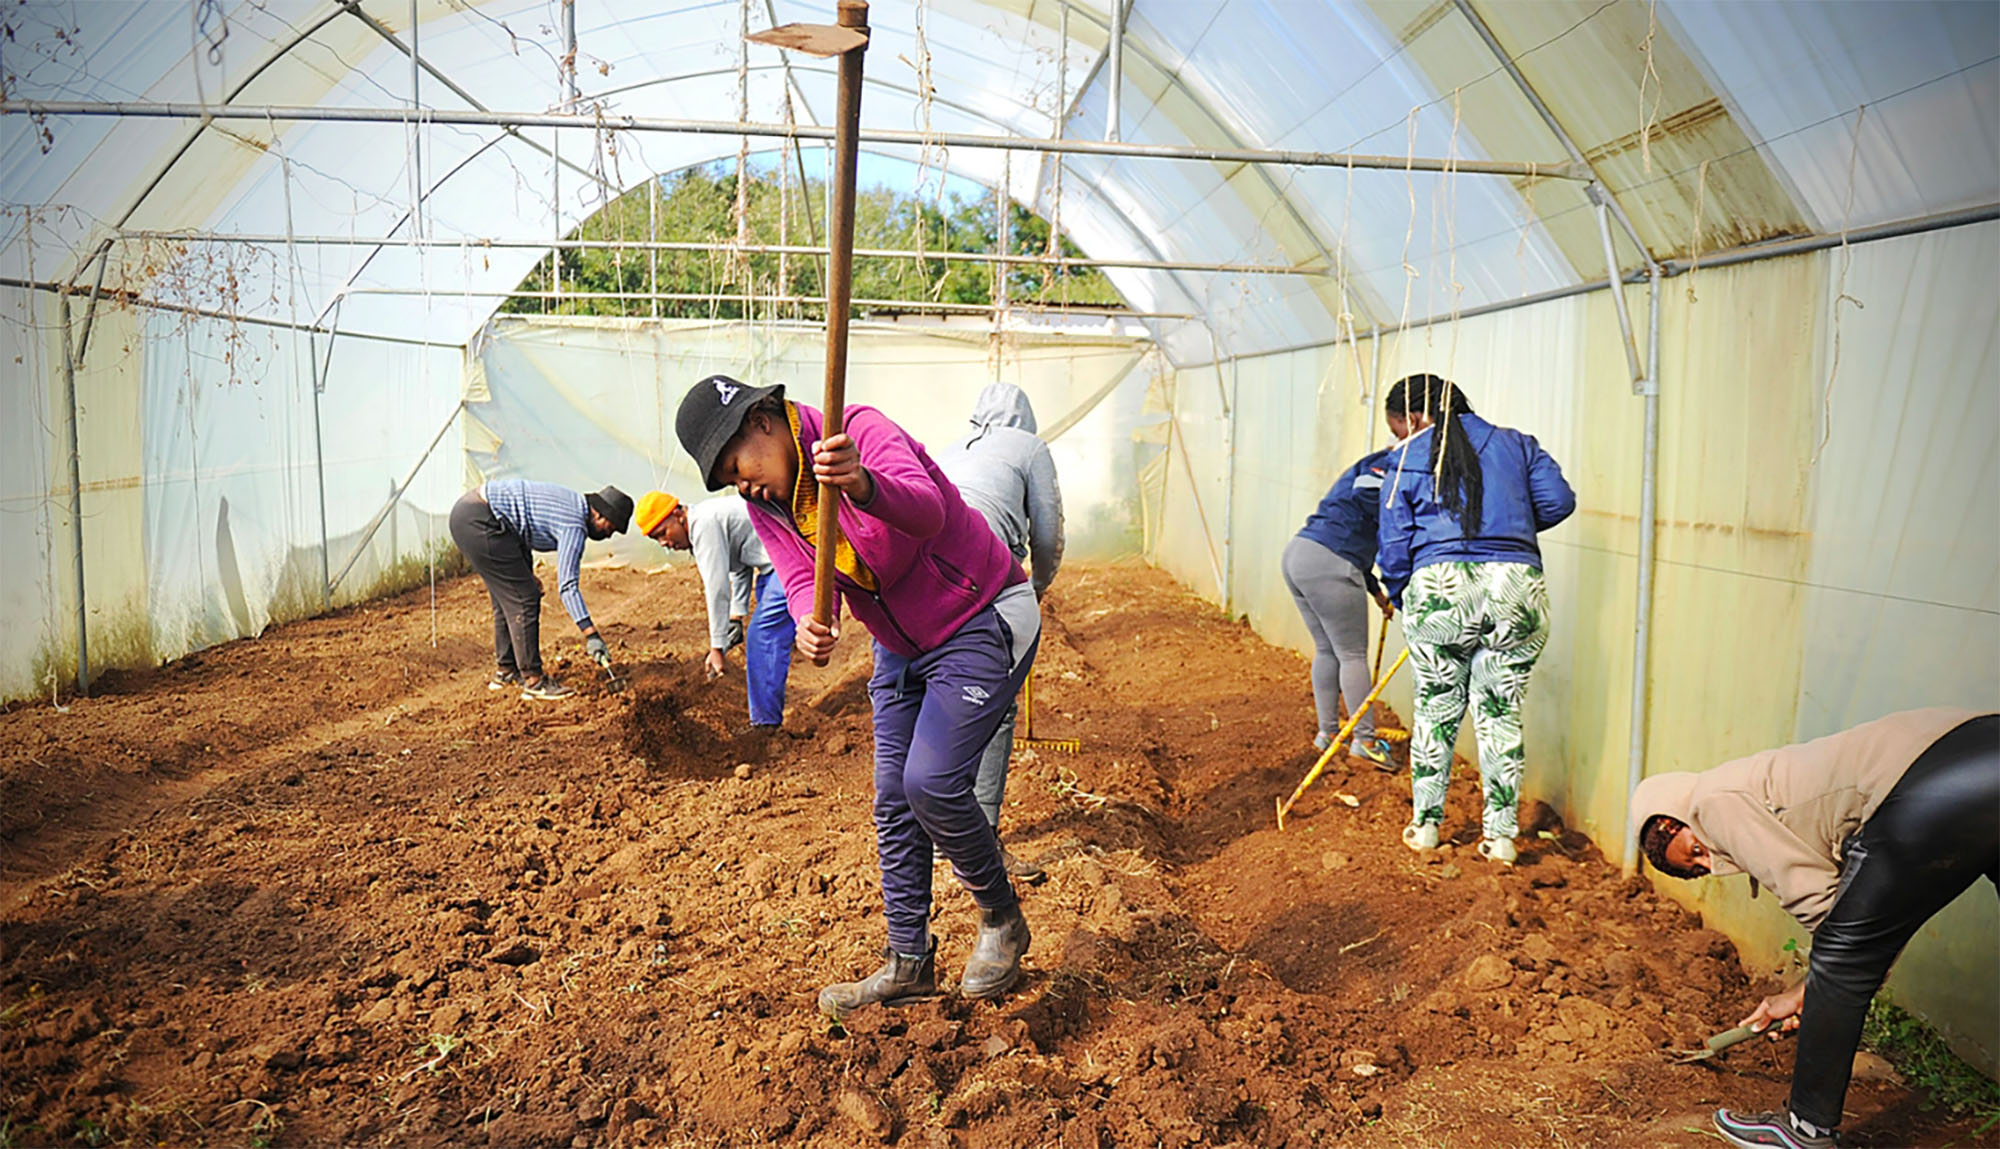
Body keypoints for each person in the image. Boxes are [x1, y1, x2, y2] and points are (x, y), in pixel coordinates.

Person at [675, 373, 1039, 1015]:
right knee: (894, 797)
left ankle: (1001, 916)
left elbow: (929, 510)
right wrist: (809, 619)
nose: (743, 485)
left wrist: (865, 486)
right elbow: (795, 572)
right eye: (729, 481)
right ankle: (908, 962)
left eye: (737, 467)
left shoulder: (860, 433)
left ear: (762, 421)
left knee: (932, 783)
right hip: (900, 643)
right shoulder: (772, 503)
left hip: (980, 614)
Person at [1631, 709, 1997, 1149]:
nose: (1709, 860)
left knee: (1842, 958)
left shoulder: (1712, 802)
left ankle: (1805, 1129)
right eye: (1698, 868)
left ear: (1676, 817)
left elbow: (1827, 914)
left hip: (1929, 781)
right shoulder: (1755, 782)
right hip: (1985, 744)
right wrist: (1822, 981)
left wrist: (1815, 987)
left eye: (1693, 850)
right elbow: (1869, 921)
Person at [1377, 374, 1574, 864]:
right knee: (1500, 714)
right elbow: (1559, 501)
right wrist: (1510, 529)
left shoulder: (1405, 460)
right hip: (1516, 587)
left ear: (1418, 418)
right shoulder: (1519, 445)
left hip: (1440, 587)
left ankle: (1426, 827)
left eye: (1401, 427)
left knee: (1437, 709)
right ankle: (1502, 838)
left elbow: (1395, 542)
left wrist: (1406, 597)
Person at [934, 382, 1064, 880]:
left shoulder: (949, 451)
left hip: (926, 574)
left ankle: (934, 831)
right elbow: (1048, 531)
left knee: (940, 693)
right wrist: (1040, 586)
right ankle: (978, 842)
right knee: (993, 701)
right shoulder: (1030, 447)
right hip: (986, 572)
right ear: (1024, 418)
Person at [1280, 386, 1425, 769]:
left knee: (1328, 650)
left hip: (1301, 553)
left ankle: (1328, 732)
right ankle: (1364, 741)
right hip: (1330, 560)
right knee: (1351, 654)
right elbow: (1370, 503)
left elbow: (1353, 530)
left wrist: (1376, 589)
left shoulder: (1371, 461)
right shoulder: (1388, 467)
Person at [447, 479, 633, 701]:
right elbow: (568, 586)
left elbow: (522, 526)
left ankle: (506, 671)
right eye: (610, 529)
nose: (608, 536)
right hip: (481, 521)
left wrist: (526, 573)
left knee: (507, 599)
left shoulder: (571, 502)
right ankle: (534, 681)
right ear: (600, 516)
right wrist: (590, 634)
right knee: (524, 598)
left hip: (472, 515)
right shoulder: (575, 524)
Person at [635, 490, 796, 728]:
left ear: (678, 514)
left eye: (663, 533)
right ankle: (766, 715)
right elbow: (741, 563)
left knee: (762, 637)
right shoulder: (706, 518)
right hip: (772, 565)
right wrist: (736, 616)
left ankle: (765, 725)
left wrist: (717, 647)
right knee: (765, 636)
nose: (665, 543)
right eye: (657, 540)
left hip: (792, 558)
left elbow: (716, 587)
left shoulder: (703, 524)